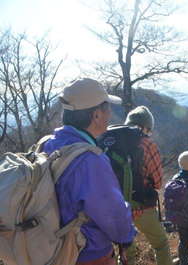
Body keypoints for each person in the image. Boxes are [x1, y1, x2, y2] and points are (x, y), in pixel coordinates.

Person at [43, 78, 136, 265]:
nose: (110, 115)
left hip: (51, 250)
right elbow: (112, 213)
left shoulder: (48, 144)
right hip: (88, 254)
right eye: (107, 108)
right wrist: (127, 236)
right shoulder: (91, 160)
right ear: (96, 115)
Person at [100, 106, 173, 265]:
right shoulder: (146, 143)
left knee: (127, 251)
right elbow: (158, 182)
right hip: (141, 207)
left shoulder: (108, 140)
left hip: (114, 208)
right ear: (145, 127)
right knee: (161, 244)